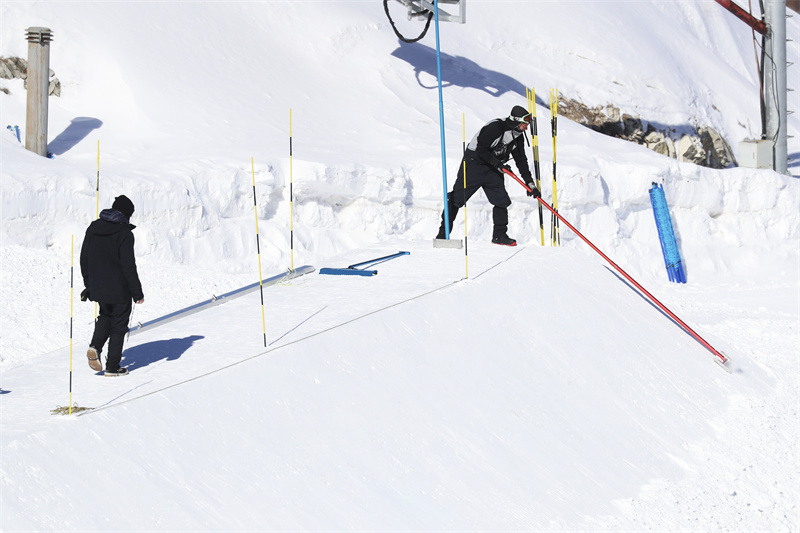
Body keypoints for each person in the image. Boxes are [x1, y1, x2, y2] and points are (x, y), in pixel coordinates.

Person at [436, 105, 541, 246]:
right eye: (524, 124)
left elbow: (521, 161)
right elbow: (481, 150)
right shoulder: (496, 127)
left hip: (493, 168)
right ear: (516, 121)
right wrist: (498, 164)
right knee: (457, 199)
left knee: (501, 201)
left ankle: (499, 236)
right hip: (474, 163)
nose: (526, 128)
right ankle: (442, 235)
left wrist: (530, 184)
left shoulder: (518, 137)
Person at [80, 195, 144, 376]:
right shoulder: (124, 234)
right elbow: (128, 266)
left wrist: (89, 283)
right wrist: (137, 292)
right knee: (119, 325)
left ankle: (95, 346)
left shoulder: (93, 228)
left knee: (105, 315)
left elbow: (84, 258)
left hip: (98, 286)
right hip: (119, 289)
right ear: (126, 214)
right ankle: (113, 367)